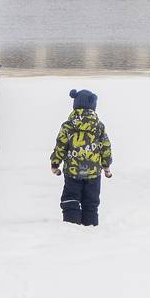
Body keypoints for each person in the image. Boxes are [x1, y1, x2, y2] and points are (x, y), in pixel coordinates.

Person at [50, 89, 113, 226]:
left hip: (72, 172)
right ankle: (90, 227)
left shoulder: (67, 126)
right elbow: (105, 147)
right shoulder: (99, 126)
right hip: (93, 173)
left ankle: (71, 226)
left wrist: (55, 163)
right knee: (91, 203)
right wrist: (106, 165)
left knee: (70, 199)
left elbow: (60, 146)